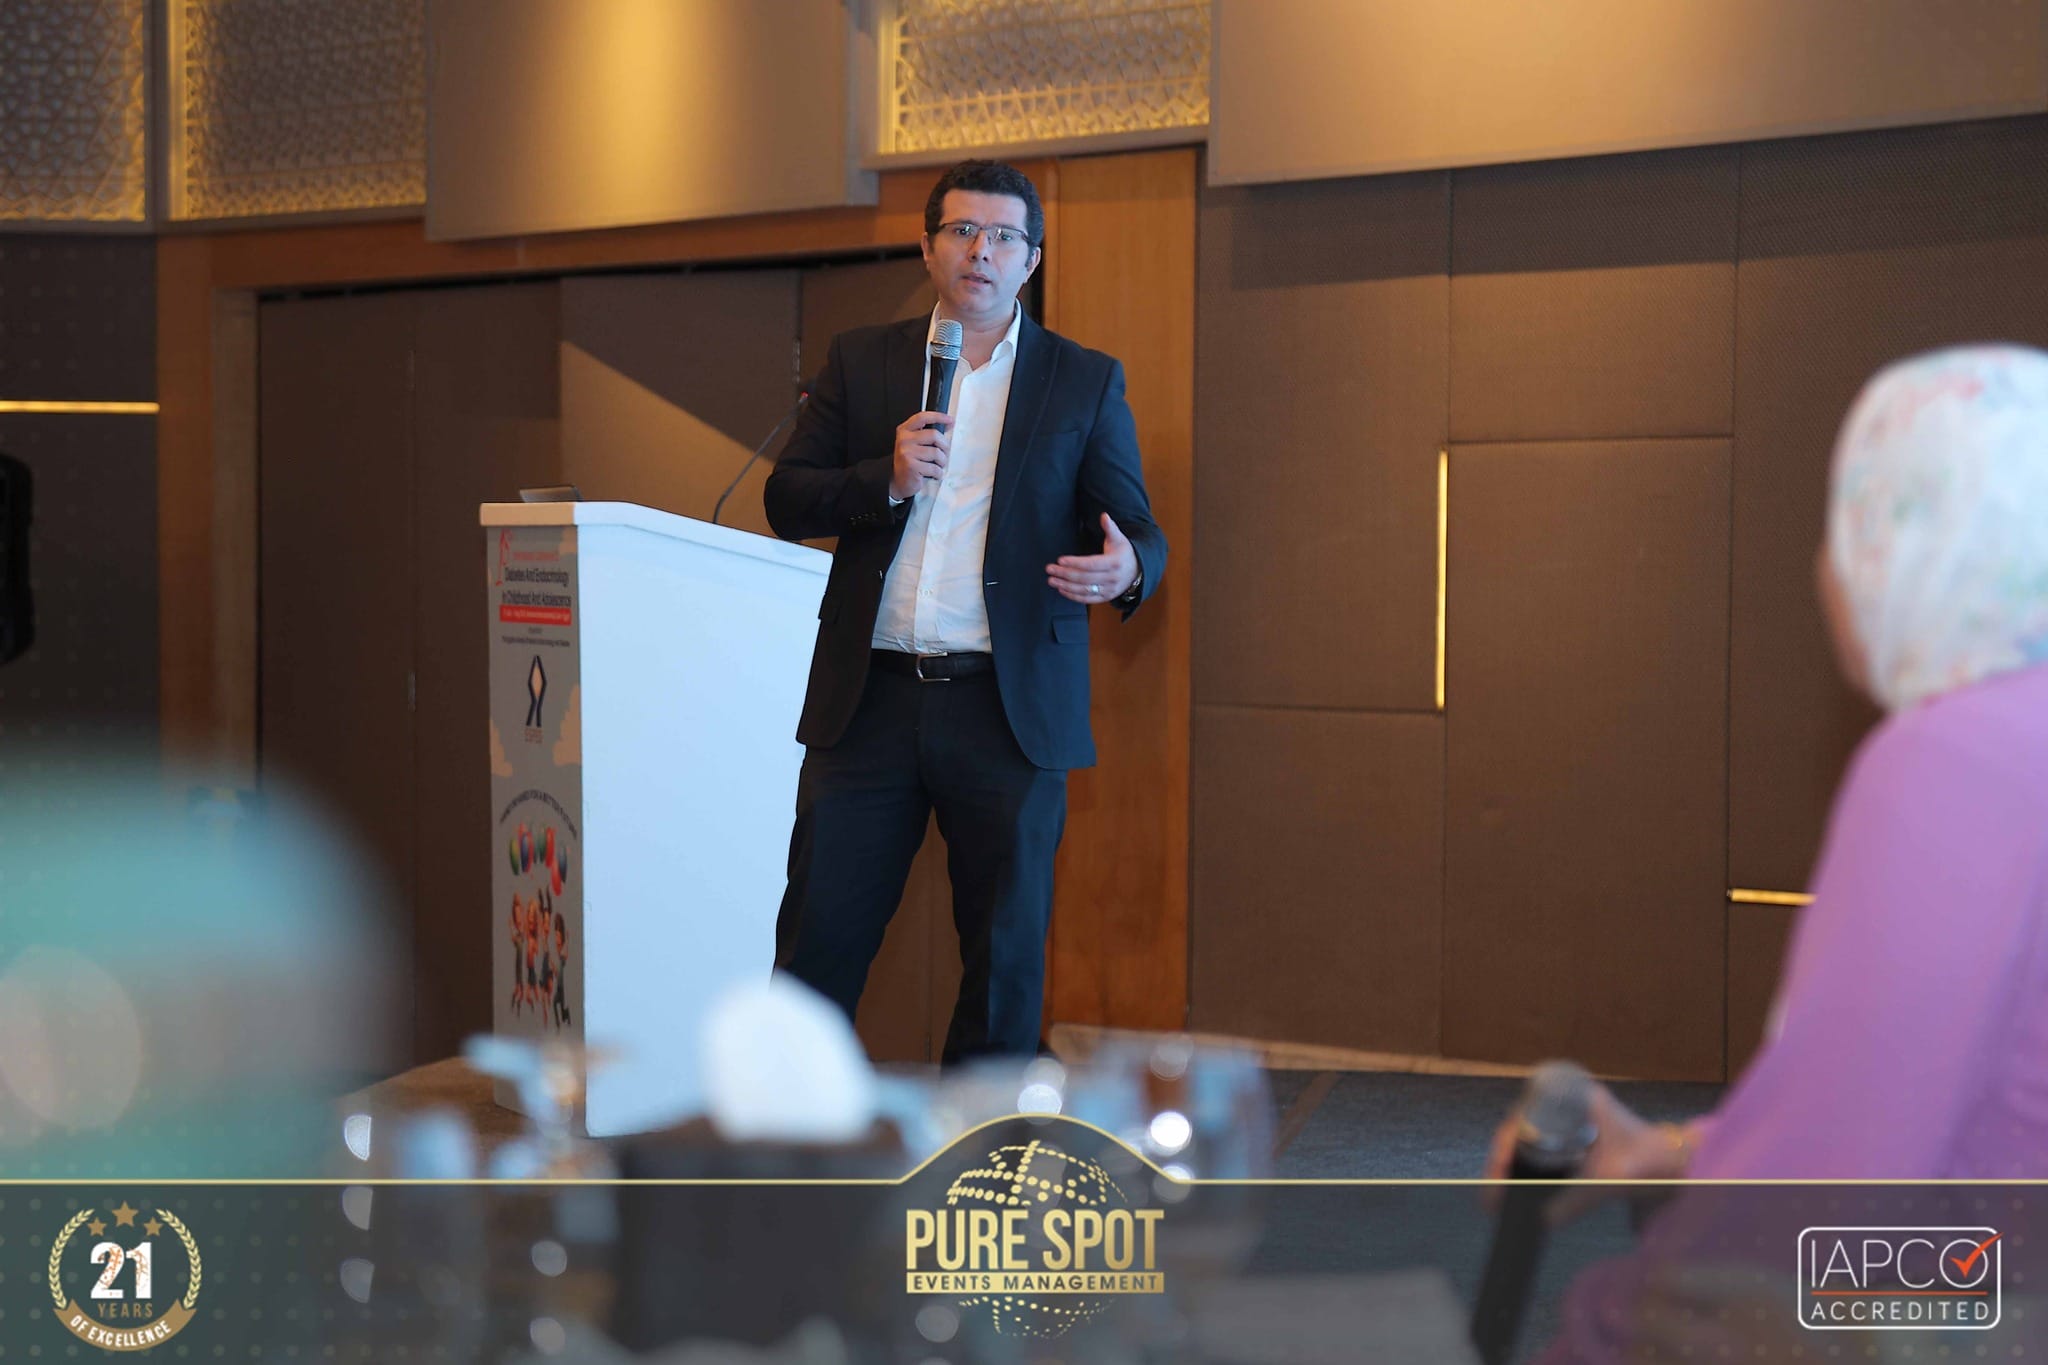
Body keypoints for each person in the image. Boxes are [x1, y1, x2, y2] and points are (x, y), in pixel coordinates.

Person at [1497, 344, 2048, 1358]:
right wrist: (1675, 1150)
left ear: (1909, 547)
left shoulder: (1958, 758)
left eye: (1848, 525)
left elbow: (1803, 1214)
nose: (1826, 571)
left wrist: (1607, 1329)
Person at [763, 159, 1166, 1062]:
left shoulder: (1082, 380)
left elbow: (1137, 526)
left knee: (1003, 963)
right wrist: (885, 477)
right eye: (962, 231)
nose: (982, 250)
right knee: (818, 943)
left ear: (1031, 261)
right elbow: (786, 497)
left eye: (1004, 236)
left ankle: (981, 1141)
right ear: (928, 247)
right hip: (868, 703)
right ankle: (786, 1137)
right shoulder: (863, 360)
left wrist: (1129, 566)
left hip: (1005, 712)